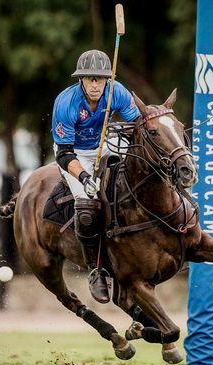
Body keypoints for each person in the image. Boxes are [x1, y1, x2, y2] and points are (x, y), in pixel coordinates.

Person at [51, 49, 140, 303]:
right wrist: (85, 179)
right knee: (88, 206)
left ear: (107, 79)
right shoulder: (66, 102)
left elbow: (137, 125)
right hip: (75, 152)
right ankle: (95, 269)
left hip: (105, 142)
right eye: (89, 78)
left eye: (99, 79)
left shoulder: (118, 92)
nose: (94, 84)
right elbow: (64, 154)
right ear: (81, 79)